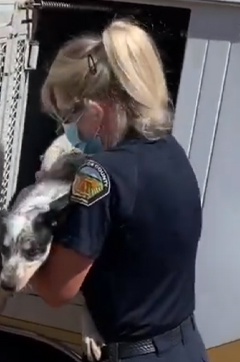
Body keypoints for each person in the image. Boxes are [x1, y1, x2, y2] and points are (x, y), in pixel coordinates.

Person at [28, 19, 208, 362]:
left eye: (66, 115)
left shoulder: (100, 175)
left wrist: (16, 240)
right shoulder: (170, 149)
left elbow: (56, 290)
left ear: (95, 110)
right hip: (185, 347)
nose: (64, 129)